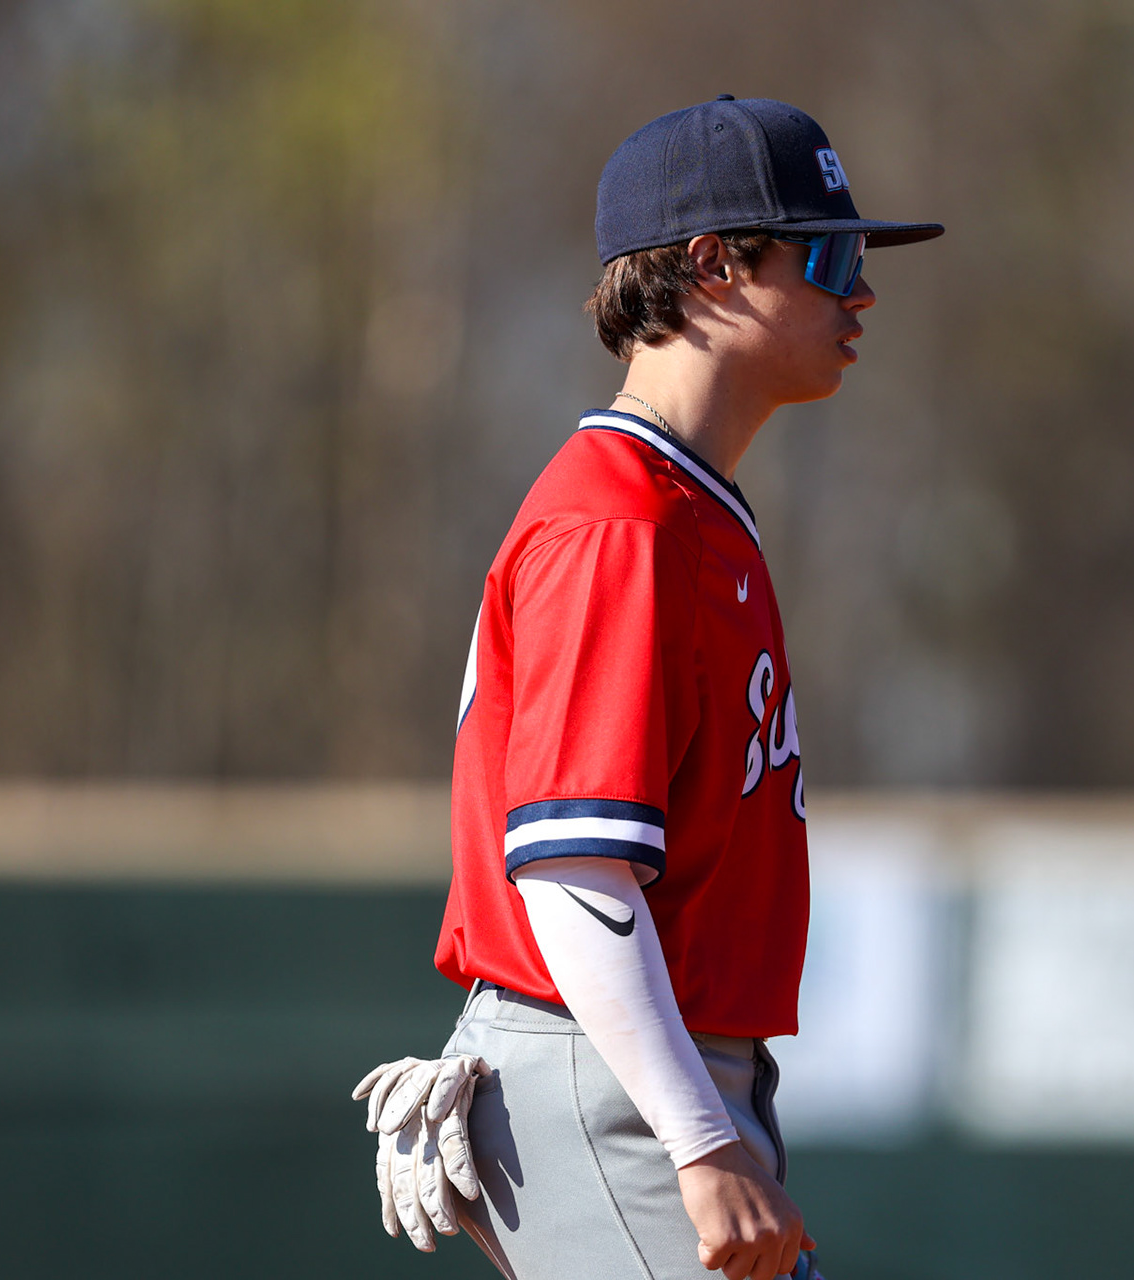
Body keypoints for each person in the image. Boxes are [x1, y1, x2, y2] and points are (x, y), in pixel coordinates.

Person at [352, 95, 942, 1280]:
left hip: (644, 1062)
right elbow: (574, 868)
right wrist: (698, 1129)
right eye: (826, 255)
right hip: (605, 1067)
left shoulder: (685, 514)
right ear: (712, 265)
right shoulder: (620, 524)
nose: (861, 292)